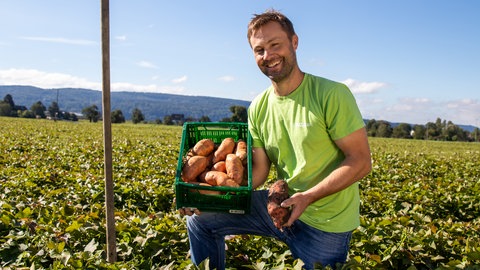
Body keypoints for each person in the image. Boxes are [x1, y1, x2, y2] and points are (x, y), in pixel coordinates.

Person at [179, 9, 372, 270]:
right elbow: (258, 171)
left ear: (294, 42)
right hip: (279, 206)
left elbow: (360, 161)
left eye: (275, 45)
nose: (268, 56)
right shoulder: (259, 106)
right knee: (200, 221)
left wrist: (308, 196)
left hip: (326, 223)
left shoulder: (332, 94)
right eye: (259, 50)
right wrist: (208, 196)